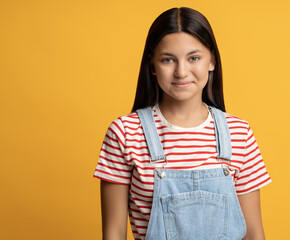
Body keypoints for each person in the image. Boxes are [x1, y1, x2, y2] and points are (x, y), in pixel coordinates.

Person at [93, 7, 271, 240]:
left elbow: (254, 234)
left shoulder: (239, 133)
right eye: (168, 60)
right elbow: (114, 234)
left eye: (194, 58)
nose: (181, 72)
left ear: (212, 61)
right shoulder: (125, 133)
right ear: (153, 65)